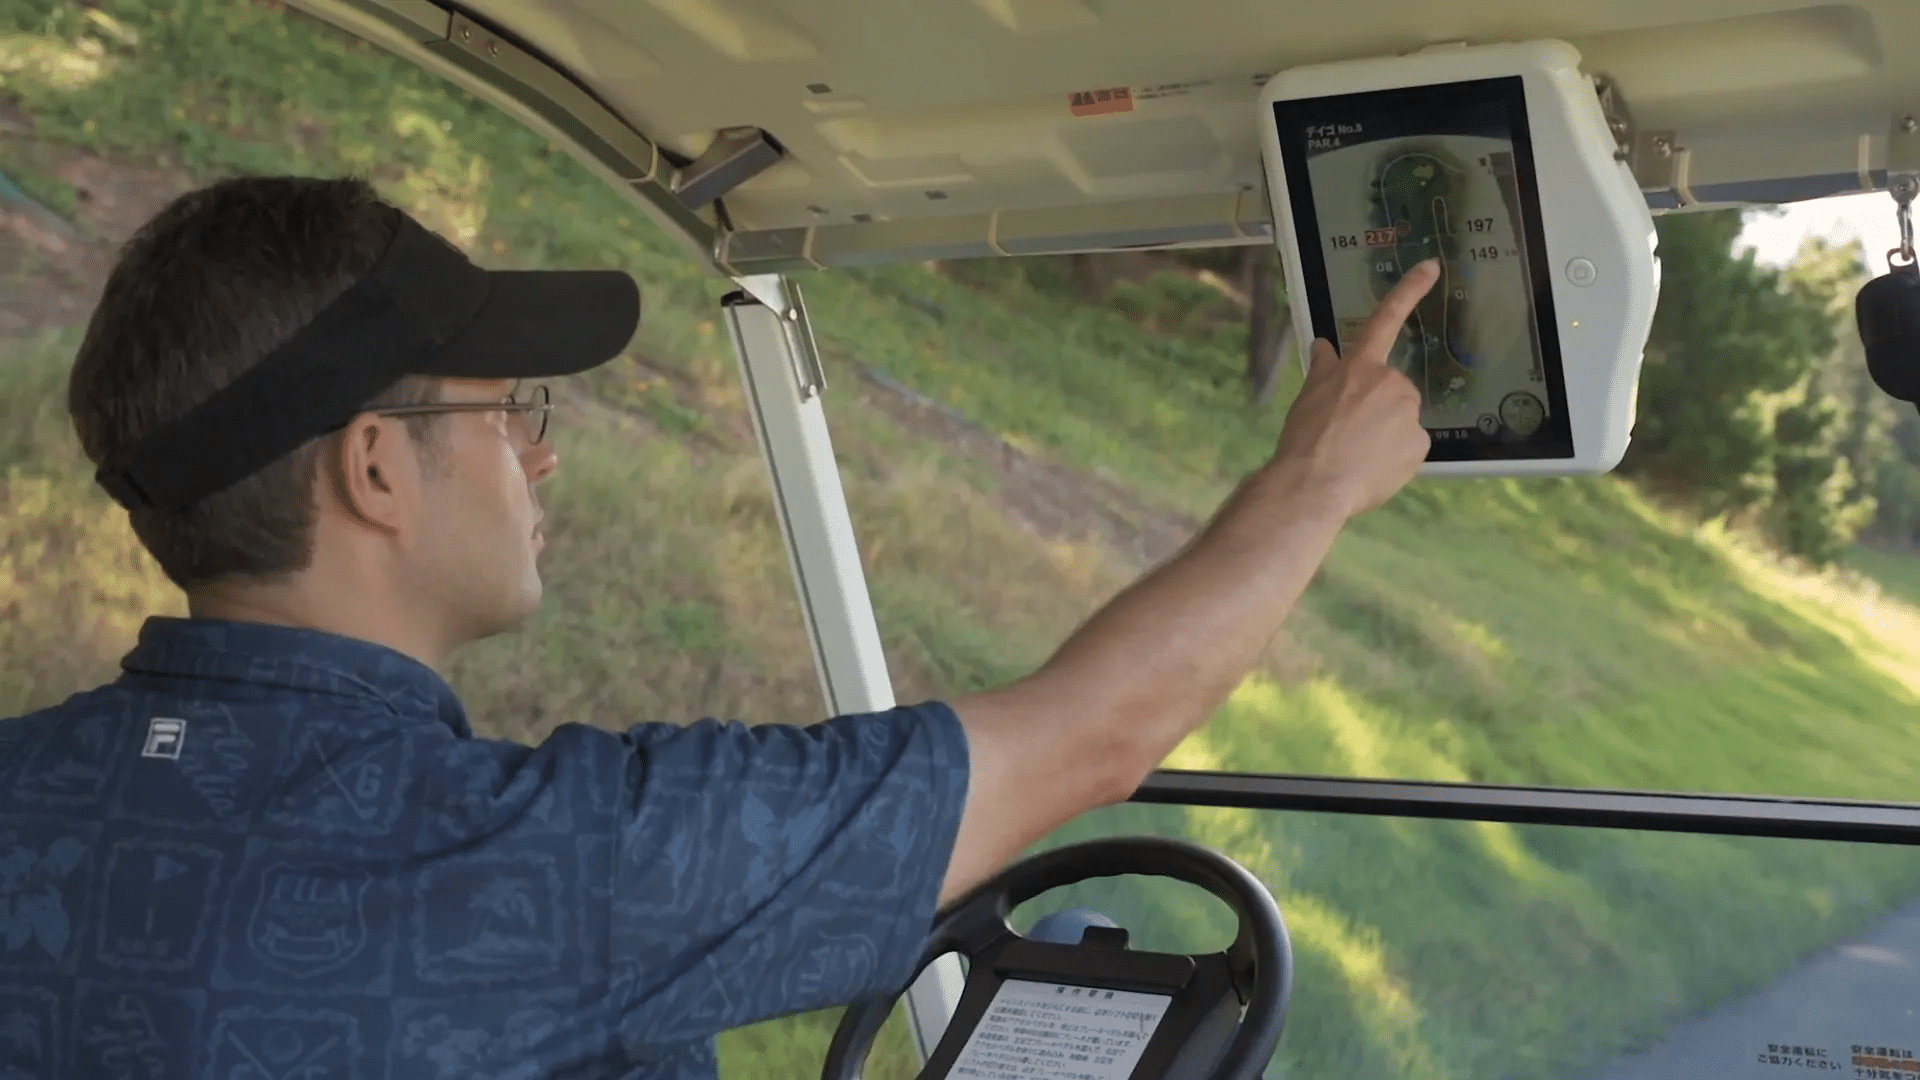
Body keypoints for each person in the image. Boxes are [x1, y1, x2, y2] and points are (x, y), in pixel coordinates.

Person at [0, 174, 1437, 1078]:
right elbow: (1089, 738)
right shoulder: (532, 861)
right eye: (510, 414)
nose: (542, 456)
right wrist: (1314, 484)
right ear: (376, 469)